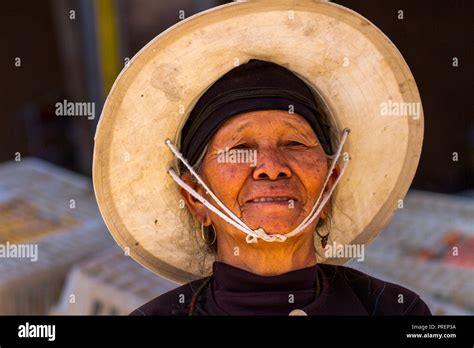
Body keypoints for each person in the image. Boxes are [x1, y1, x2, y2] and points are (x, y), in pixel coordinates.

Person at [92, 1, 430, 316]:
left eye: (295, 143)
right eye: (240, 148)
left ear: (329, 186)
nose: (271, 166)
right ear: (195, 198)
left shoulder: (393, 310)